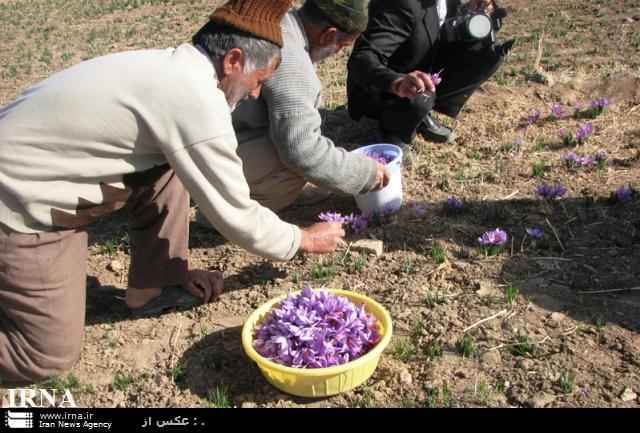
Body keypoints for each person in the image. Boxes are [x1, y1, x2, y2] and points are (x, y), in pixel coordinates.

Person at [0, 0, 346, 384]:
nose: (253, 94)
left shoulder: (172, 67)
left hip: (34, 176)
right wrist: (302, 239)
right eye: (259, 80)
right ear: (233, 60)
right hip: (17, 204)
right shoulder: (194, 99)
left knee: (169, 167)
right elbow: (236, 215)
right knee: (43, 355)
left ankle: (155, 284)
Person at [229, 0, 390, 212]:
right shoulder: (292, 61)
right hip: (213, 149)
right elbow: (301, 151)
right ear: (328, 35)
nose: (338, 52)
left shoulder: (280, 20)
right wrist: (365, 174)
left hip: (217, 131)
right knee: (291, 166)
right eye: (342, 46)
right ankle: (234, 211)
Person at [347, 0, 513, 147]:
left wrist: (472, 12)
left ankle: (422, 112)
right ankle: (393, 124)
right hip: (381, 89)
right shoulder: (401, 3)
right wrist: (396, 82)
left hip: (421, 67)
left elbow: (441, 31)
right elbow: (362, 58)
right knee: (417, 93)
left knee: (483, 51)